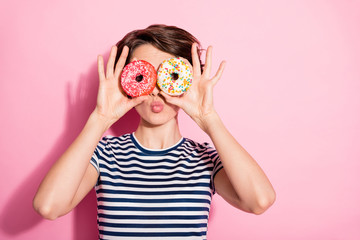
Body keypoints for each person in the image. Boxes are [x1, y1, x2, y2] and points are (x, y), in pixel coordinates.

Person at [33, 24, 276, 239]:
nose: (156, 91)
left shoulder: (207, 159)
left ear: (188, 81)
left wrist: (209, 118)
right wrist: (100, 118)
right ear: (126, 83)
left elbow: (259, 201)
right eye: (143, 76)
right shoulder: (104, 155)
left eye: (168, 75)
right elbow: (48, 206)